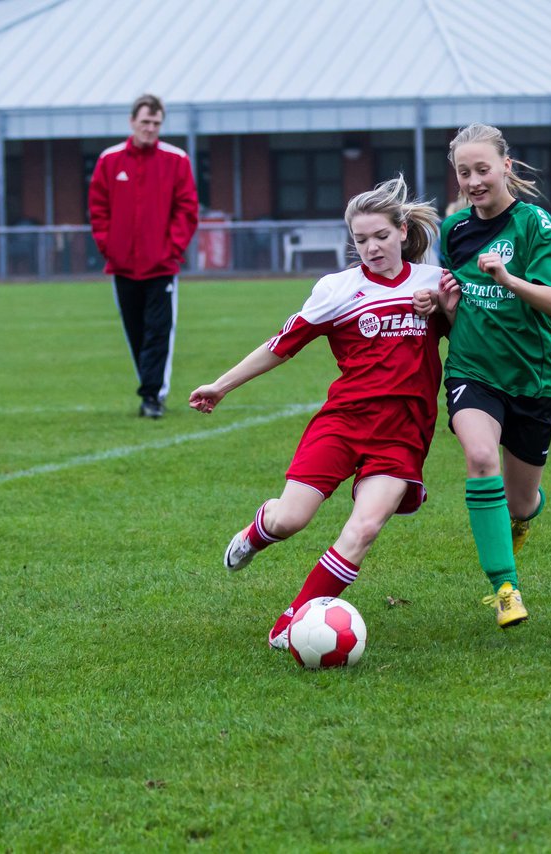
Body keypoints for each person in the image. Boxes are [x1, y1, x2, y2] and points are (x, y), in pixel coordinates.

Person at [189, 176, 444, 650]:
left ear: (404, 230)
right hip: (343, 424)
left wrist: (447, 306)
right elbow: (281, 346)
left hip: (402, 435)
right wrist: (220, 386)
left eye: (381, 236)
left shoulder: (435, 284)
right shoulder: (336, 290)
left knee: (364, 529)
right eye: (361, 240)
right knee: (290, 520)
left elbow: (474, 336)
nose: (371, 247)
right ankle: (257, 530)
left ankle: (291, 623)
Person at [421, 123, 551, 629]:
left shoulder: (534, 224)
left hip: (531, 379)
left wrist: (508, 279)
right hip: (472, 371)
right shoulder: (454, 230)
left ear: (505, 166)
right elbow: (452, 318)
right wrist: (440, 307)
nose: (473, 180)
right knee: (480, 456)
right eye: (464, 172)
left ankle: (523, 516)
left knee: (521, 501)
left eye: (482, 169)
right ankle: (506, 589)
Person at [89, 94, 199, 419]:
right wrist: (109, 246)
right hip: (122, 265)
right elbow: (98, 209)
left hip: (161, 266)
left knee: (158, 330)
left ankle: (152, 395)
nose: (150, 128)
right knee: (135, 331)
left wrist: (171, 249)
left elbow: (187, 210)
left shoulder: (176, 160)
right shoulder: (109, 161)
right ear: (132, 122)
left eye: (156, 123)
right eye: (145, 122)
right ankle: (150, 387)